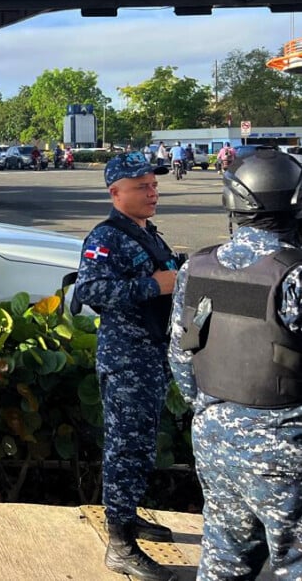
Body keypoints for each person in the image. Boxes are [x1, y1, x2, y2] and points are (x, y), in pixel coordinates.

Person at [168, 149, 302, 579]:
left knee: (224, 560)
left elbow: (181, 357)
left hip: (214, 436)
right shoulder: (295, 274)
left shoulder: (198, 267)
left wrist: (217, 409)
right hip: (286, 444)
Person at [71, 152, 182, 581]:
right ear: (115, 193)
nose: (152, 192)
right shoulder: (107, 236)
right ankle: (119, 543)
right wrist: (154, 284)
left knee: (141, 445)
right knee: (125, 447)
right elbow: (93, 290)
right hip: (127, 359)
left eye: (154, 185)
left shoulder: (147, 233)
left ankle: (128, 516)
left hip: (151, 356)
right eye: (142, 187)